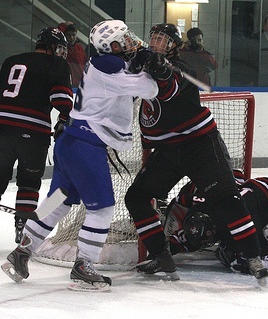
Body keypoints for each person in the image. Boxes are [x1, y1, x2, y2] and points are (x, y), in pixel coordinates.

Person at [2, 20, 159, 291]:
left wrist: (137, 63)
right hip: (86, 145)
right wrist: (149, 66)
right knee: (103, 208)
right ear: (111, 45)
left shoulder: (104, 63)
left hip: (72, 142)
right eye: (125, 39)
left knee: (57, 203)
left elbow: (126, 78)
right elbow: (150, 90)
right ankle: (84, 265)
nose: (130, 42)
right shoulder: (109, 66)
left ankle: (22, 253)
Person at [124, 23, 268, 285]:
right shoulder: (144, 66)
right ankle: (161, 254)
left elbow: (168, 85)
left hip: (200, 144)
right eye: (154, 38)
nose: (157, 42)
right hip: (168, 150)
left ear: (174, 46)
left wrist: (156, 64)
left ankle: (253, 256)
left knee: (226, 199)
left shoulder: (182, 68)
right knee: (136, 197)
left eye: (163, 39)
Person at [0, 27, 73, 244]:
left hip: (2, 129)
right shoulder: (57, 64)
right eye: (59, 47)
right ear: (51, 47)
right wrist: (64, 118)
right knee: (29, 182)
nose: (61, 52)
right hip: (33, 132)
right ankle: (22, 227)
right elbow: (62, 102)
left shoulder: (10, 60)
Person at [58, 21, 87, 88]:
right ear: (65, 35)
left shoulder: (79, 48)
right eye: (69, 35)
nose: (71, 38)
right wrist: (63, 26)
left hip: (80, 85)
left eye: (73, 35)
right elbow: (57, 33)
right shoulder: (63, 48)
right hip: (68, 85)